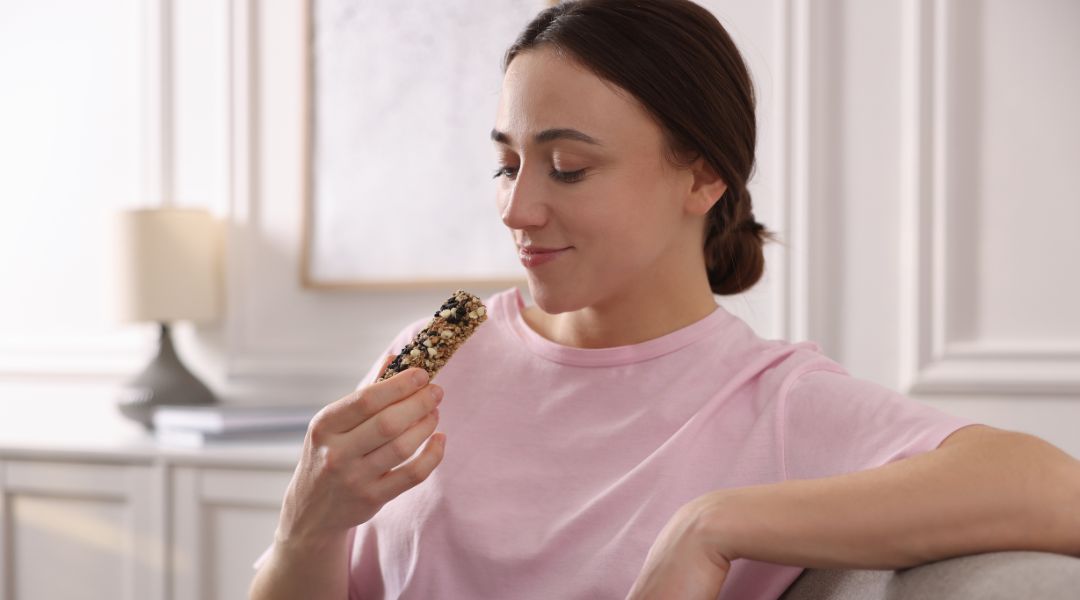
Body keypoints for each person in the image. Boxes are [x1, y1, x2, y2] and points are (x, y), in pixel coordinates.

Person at [250, 1, 1080, 598]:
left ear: (705, 174)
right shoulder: (432, 365)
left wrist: (711, 526)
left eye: (568, 167)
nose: (516, 207)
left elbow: (1057, 493)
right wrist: (309, 525)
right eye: (508, 163)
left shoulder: (775, 404)